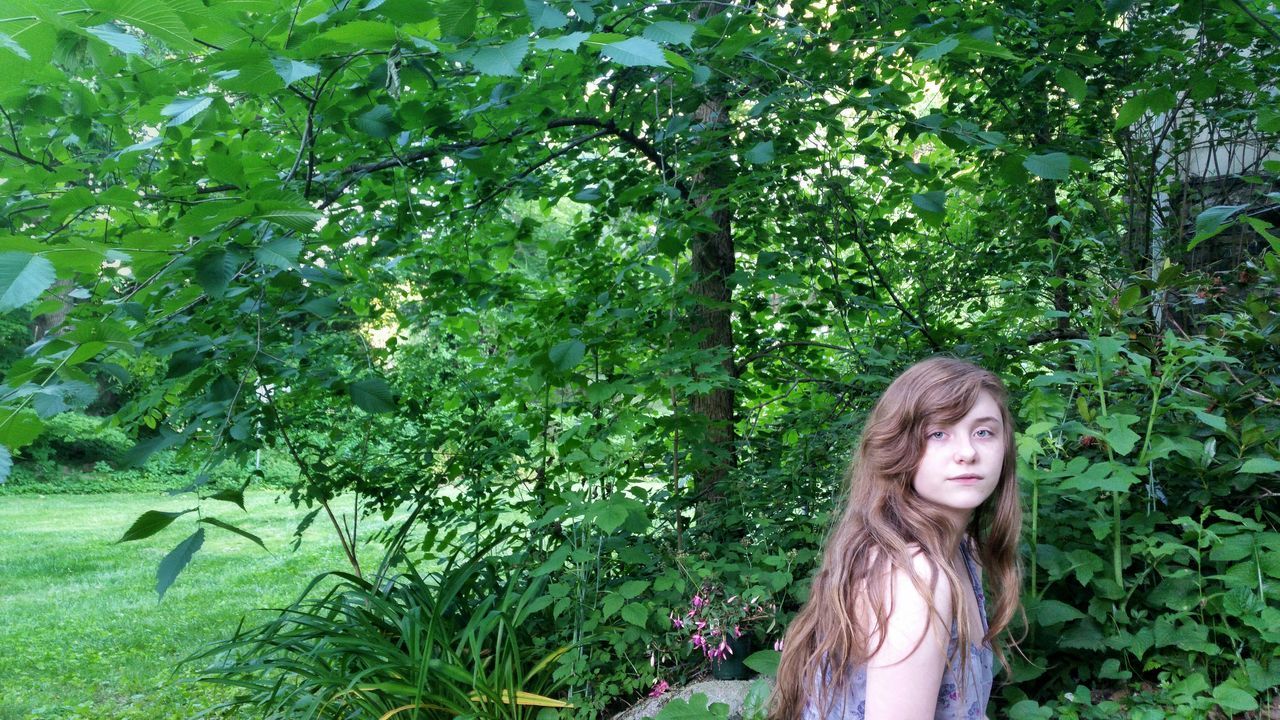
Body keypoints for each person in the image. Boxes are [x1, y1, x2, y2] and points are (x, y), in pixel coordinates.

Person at [770, 356, 1024, 720]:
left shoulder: (964, 552)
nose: (967, 452)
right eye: (938, 433)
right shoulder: (914, 577)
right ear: (898, 448)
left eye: (984, 432)